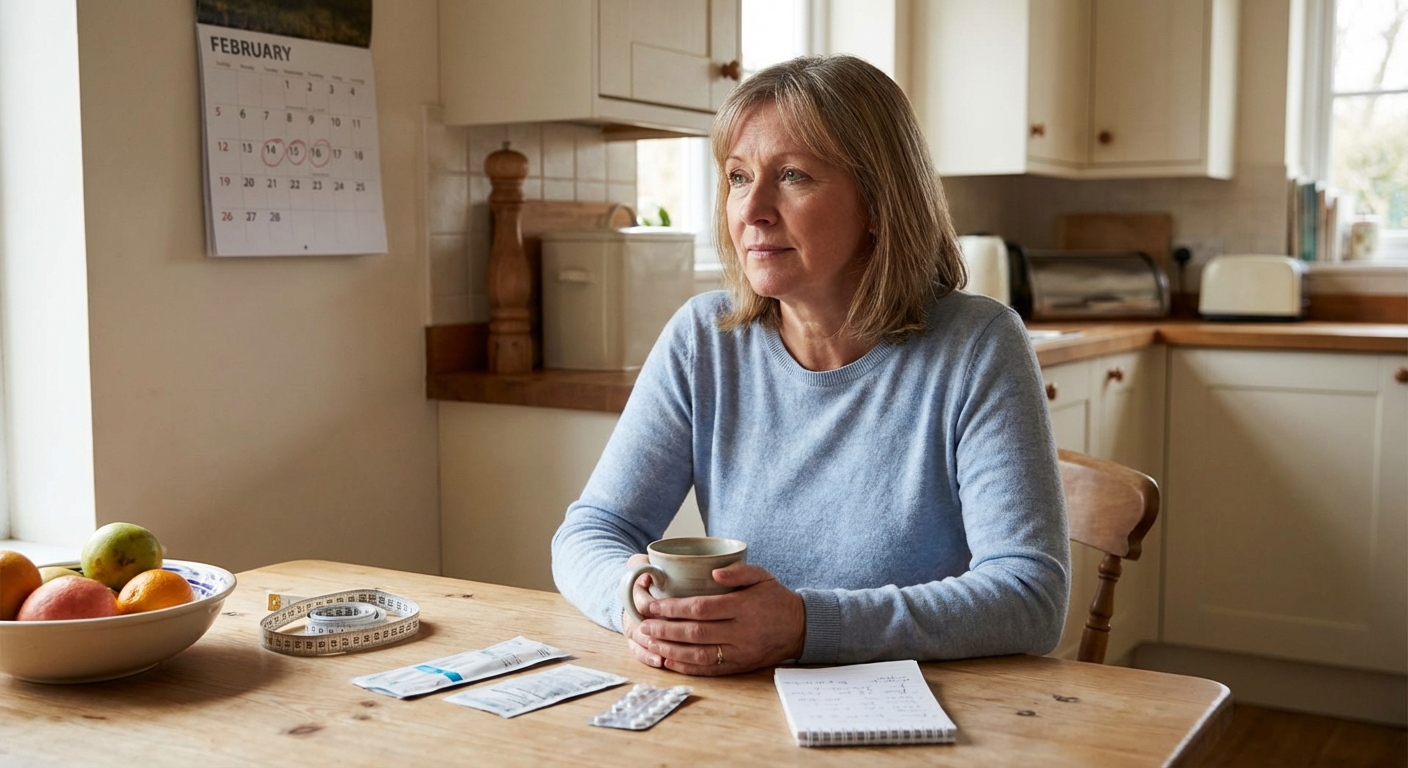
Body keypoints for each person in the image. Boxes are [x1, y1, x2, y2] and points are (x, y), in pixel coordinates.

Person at [551, 54, 1069, 676]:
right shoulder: (703, 339)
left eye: (792, 175)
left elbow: (1030, 597)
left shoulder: (979, 345)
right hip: (740, 707)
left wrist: (802, 625)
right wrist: (631, 597)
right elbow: (591, 531)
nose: (751, 211)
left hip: (923, 713)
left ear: (880, 202)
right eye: (738, 177)